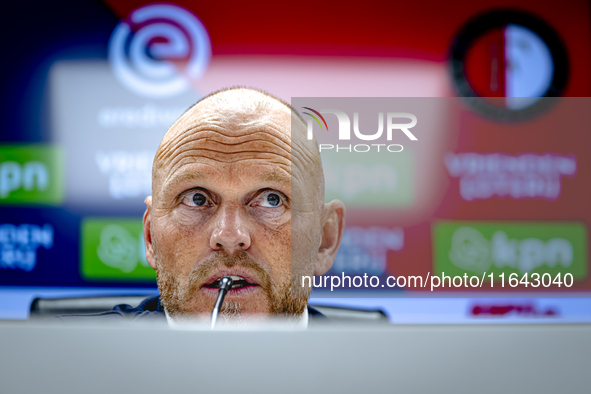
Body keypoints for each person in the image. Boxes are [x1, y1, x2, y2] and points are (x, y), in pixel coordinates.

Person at [55, 87, 345, 326]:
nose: (230, 236)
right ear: (150, 237)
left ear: (325, 241)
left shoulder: (386, 373)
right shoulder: (54, 366)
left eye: (272, 199)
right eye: (196, 199)